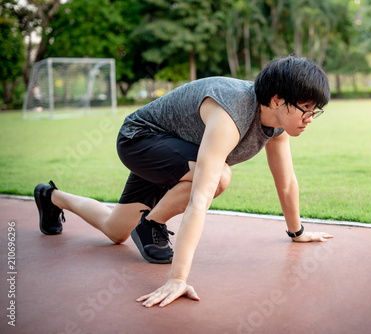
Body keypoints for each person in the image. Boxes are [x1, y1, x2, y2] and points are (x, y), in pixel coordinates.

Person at [34, 55, 334, 308]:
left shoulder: (276, 126)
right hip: (139, 139)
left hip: (173, 150)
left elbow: (286, 182)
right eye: (305, 107)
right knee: (219, 176)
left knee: (115, 230)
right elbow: (200, 197)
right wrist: (178, 279)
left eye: (315, 110)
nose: (310, 117)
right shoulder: (232, 112)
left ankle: (51, 197)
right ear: (277, 99)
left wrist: (297, 232)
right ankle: (151, 224)